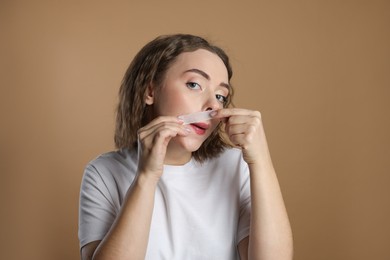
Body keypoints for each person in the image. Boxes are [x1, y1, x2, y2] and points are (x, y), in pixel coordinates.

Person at [78, 34, 293, 260]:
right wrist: (146, 177)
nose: (212, 105)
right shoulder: (103, 172)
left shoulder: (235, 166)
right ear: (150, 91)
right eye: (194, 84)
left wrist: (261, 161)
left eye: (220, 96)